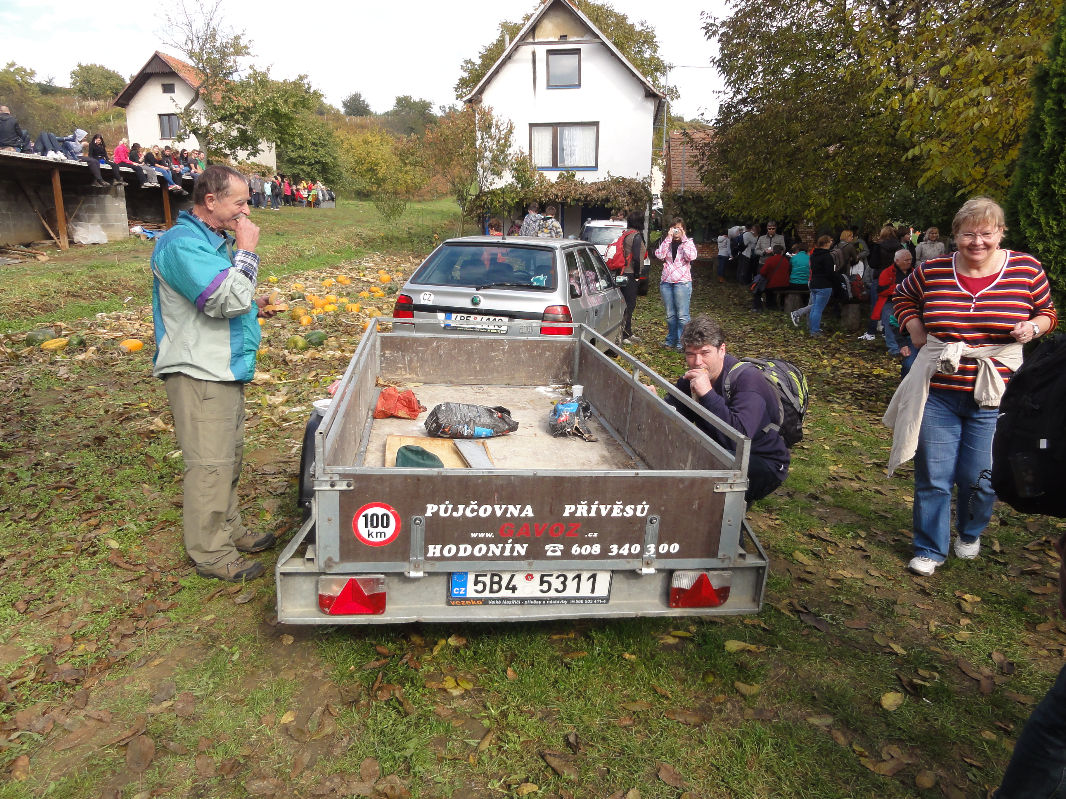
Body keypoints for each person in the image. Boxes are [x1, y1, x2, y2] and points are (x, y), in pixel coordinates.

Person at [883, 196, 1057, 576]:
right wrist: (913, 327)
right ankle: (929, 547)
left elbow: (1047, 312)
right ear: (955, 236)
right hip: (939, 390)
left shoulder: (1026, 269)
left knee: (980, 476)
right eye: (967, 234)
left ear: (1000, 234)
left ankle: (970, 530)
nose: (977, 241)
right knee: (934, 474)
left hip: (996, 392)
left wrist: (1034, 327)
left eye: (986, 233)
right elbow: (903, 296)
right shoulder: (933, 270)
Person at [151, 165, 279, 582]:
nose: (246, 210)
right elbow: (222, 301)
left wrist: (252, 301)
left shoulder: (209, 242)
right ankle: (211, 552)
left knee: (228, 458)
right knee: (210, 464)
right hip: (198, 371)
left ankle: (230, 529)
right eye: (239, 202)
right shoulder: (181, 244)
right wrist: (247, 252)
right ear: (211, 201)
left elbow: (223, 295)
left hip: (220, 368)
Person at [666, 315, 790, 503]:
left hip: (763, 461)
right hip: (718, 453)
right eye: (691, 354)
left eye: (705, 353)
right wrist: (650, 400)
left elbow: (738, 438)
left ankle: (724, 528)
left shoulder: (747, 380)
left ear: (721, 350)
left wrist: (707, 394)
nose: (698, 362)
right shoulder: (691, 380)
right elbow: (673, 418)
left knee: (714, 510)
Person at [655, 217, 697, 351]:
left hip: (682, 283)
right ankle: (670, 340)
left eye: (679, 228)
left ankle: (682, 343)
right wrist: (668, 238)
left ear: (684, 229)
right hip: (666, 282)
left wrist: (684, 239)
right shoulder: (666, 243)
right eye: (674, 228)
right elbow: (659, 255)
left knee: (683, 315)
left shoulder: (688, 242)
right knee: (670, 315)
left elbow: (691, 256)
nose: (676, 231)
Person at [870, 249, 914, 359]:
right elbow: (881, 290)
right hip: (890, 301)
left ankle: (911, 346)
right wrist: (898, 288)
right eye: (906, 260)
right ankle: (894, 349)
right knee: (889, 318)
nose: (909, 262)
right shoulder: (887, 272)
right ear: (897, 261)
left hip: (909, 302)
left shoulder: (914, 271)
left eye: (910, 260)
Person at [790, 234, 836, 337]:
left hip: (814, 282)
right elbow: (830, 272)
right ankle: (814, 330)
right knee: (818, 308)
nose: (831, 243)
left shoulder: (813, 255)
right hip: (824, 284)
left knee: (815, 307)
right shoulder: (827, 256)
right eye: (830, 241)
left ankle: (812, 327)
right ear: (826, 243)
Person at [619, 211, 646, 343]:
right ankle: (624, 334)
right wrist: (636, 275)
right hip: (630, 273)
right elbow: (636, 257)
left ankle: (627, 332)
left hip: (623, 272)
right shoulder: (636, 236)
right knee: (630, 304)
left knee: (626, 304)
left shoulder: (626, 234)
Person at [752, 244, 791, 312]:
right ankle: (781, 305)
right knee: (776, 290)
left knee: (758, 289)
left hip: (772, 285)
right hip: (785, 284)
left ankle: (759, 307)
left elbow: (762, 272)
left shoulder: (770, 260)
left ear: (773, 252)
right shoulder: (786, 260)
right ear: (782, 252)